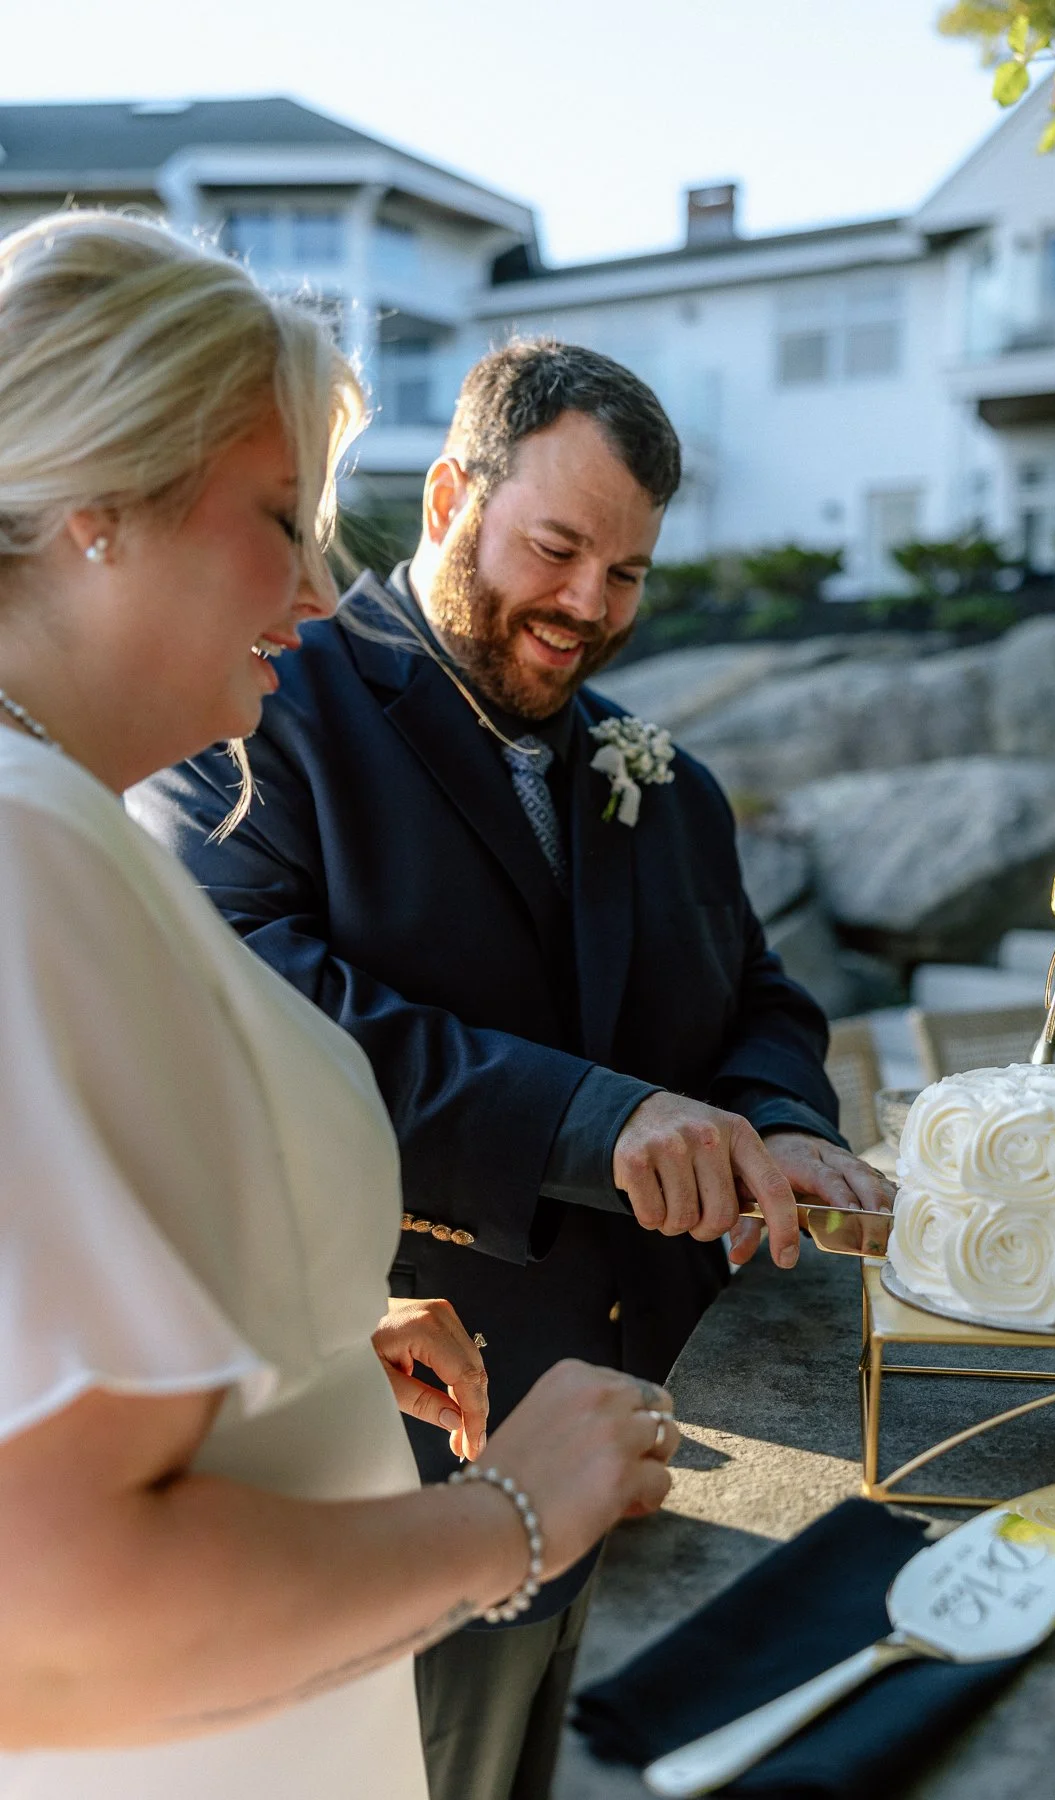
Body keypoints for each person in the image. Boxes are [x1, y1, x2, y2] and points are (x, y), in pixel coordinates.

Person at [132, 339, 895, 1800]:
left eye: (629, 575)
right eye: (558, 549)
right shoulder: (256, 713)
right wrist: (601, 1122)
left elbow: (763, 993)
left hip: (670, 1434)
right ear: (445, 497)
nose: (589, 609)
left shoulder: (658, 775)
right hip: (413, 1455)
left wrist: (781, 1121)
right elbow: (274, 1013)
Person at [0, 215, 682, 1800]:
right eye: (279, 515)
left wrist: (298, 1328)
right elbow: (47, 1626)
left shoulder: (64, 822)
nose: (319, 586)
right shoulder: (27, 851)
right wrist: (510, 1514)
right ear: (100, 505)